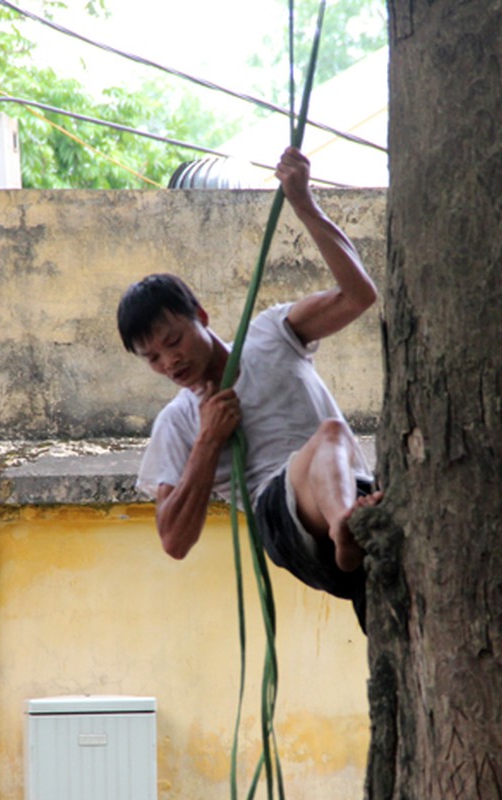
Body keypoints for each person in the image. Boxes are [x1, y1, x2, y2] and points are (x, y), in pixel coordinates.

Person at [117, 147, 382, 630]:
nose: (169, 362)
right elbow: (173, 540)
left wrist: (304, 203)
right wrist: (208, 440)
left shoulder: (271, 334)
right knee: (331, 435)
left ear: (201, 318)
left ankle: (352, 527)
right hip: (285, 525)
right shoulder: (177, 422)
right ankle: (347, 527)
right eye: (152, 358)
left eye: (173, 341)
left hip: (358, 494)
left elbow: (359, 296)